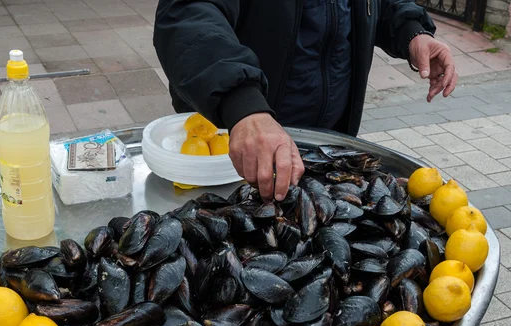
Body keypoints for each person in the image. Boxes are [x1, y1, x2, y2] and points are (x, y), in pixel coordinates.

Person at [153, 0, 458, 201]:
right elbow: (188, 15)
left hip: (327, 148)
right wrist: (243, 106)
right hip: (238, 151)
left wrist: (411, 32)